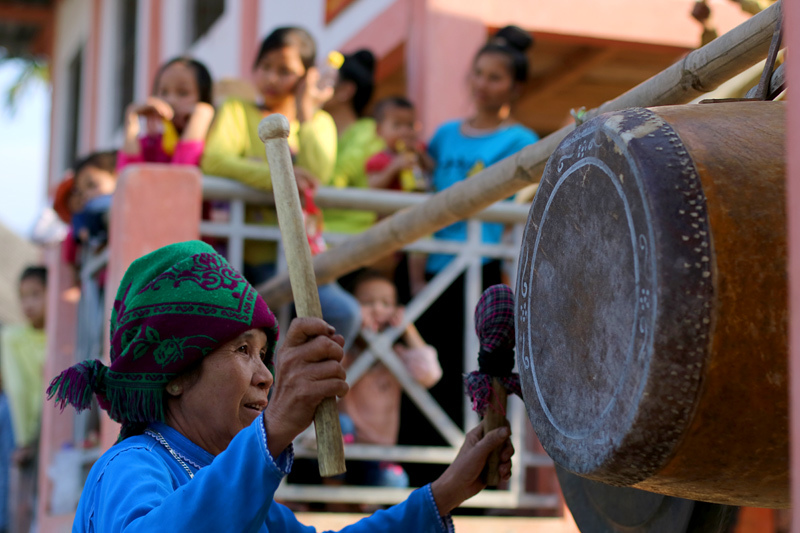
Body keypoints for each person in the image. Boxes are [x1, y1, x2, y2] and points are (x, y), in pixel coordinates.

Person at [46, 241, 514, 533]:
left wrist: (445, 493)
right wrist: (271, 430)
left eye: (263, 353)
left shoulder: (238, 485)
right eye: (242, 351)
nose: (266, 375)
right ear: (177, 375)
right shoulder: (131, 467)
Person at [406, 26, 538, 451]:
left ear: (515, 87)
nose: (482, 85)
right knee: (427, 371)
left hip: (479, 268)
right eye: (478, 73)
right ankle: (420, 470)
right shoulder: (444, 135)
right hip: (431, 267)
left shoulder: (522, 141)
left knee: (472, 373)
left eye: (495, 77)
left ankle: (473, 465)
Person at [200, 27, 361, 350]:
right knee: (245, 341)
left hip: (298, 261)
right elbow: (214, 161)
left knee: (343, 315)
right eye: (265, 66)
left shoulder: (318, 123)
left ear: (307, 76)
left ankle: (303, 396)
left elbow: (317, 176)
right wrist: (280, 176)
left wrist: (306, 109)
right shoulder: (236, 109)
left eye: (285, 71)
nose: (271, 77)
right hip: (240, 258)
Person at [339, 270, 441, 488]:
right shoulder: (345, 353)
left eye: (386, 303)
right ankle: (334, 501)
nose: (377, 309)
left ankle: (367, 509)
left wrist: (407, 329)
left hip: (378, 455)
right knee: (341, 424)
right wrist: (350, 327)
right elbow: (325, 370)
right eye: (366, 303)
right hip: (341, 448)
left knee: (396, 481)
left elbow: (431, 373)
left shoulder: (396, 356)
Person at [1, 266, 47, 533]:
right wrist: (23, 439)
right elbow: (17, 387)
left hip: (43, 419)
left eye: (35, 294)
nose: (28, 304)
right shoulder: (12, 337)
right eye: (23, 296)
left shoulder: (57, 335)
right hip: (19, 423)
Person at [322, 49, 385, 235]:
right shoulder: (314, 130)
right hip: (322, 235)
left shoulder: (369, 132)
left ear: (345, 91)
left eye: (324, 80)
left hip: (355, 240)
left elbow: (333, 183)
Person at [118, 57, 215, 170]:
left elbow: (181, 176)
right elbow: (128, 179)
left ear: (203, 97)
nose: (171, 100)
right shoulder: (151, 144)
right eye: (164, 92)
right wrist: (131, 120)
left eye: (183, 93)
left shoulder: (212, 141)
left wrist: (201, 115)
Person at [366, 96, 434, 192]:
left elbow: (434, 169)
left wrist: (421, 155)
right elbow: (372, 185)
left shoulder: (421, 149)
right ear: (379, 130)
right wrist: (394, 167)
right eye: (397, 125)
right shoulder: (377, 160)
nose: (405, 131)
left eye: (410, 125)